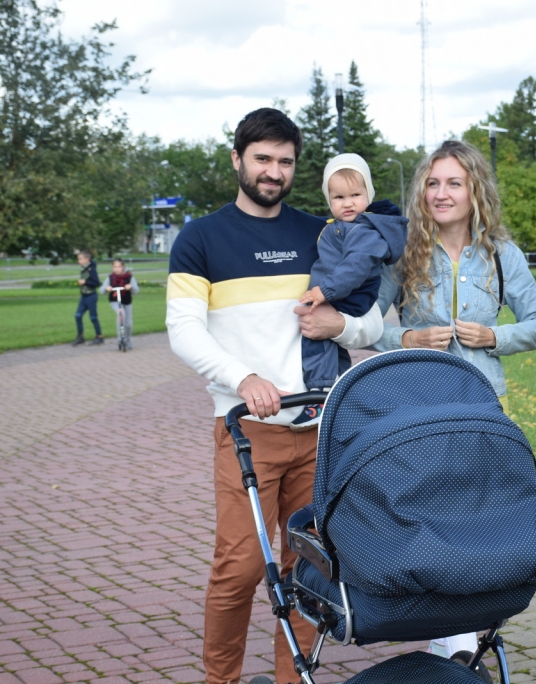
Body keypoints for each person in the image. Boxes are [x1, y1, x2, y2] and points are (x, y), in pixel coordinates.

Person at [166, 108, 383, 684]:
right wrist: (244, 379)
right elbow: (183, 329)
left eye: (285, 162)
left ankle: (296, 678)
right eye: (263, 159)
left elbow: (373, 322)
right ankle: (222, 679)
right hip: (247, 430)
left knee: (307, 568)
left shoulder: (322, 232)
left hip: (318, 430)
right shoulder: (200, 239)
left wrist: (339, 327)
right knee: (239, 568)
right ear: (238, 160)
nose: (273, 171)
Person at [372, 139, 536, 672]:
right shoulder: (405, 251)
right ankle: (447, 645)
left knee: (475, 522)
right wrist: (406, 338)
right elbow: (365, 325)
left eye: (454, 182)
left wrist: (494, 336)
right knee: (430, 521)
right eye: (433, 183)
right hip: (416, 406)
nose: (442, 193)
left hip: (481, 407)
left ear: (475, 190)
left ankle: (458, 641)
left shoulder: (501, 254)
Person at [292, 153, 407, 426]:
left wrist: (324, 292)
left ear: (369, 194)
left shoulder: (364, 230)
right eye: (339, 197)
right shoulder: (343, 227)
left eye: (356, 195)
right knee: (333, 347)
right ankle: (339, 395)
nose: (348, 203)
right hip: (341, 291)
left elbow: (355, 266)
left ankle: (318, 398)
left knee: (315, 336)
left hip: (347, 294)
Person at [99, 258, 140, 349]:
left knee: (128, 323)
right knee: (122, 314)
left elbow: (136, 291)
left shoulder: (129, 277)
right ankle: (120, 338)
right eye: (115, 267)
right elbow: (101, 291)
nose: (117, 269)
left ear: (123, 267)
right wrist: (107, 288)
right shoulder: (110, 278)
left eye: (119, 267)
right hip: (115, 301)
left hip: (127, 301)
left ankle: (128, 340)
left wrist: (131, 287)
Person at [71, 249, 103, 346]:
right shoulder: (84, 269)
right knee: (78, 316)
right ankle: (80, 337)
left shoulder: (91, 270)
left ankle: (99, 337)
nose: (79, 261)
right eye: (78, 259)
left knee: (93, 317)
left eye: (80, 259)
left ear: (87, 259)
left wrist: (85, 282)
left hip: (91, 296)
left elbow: (97, 283)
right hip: (84, 297)